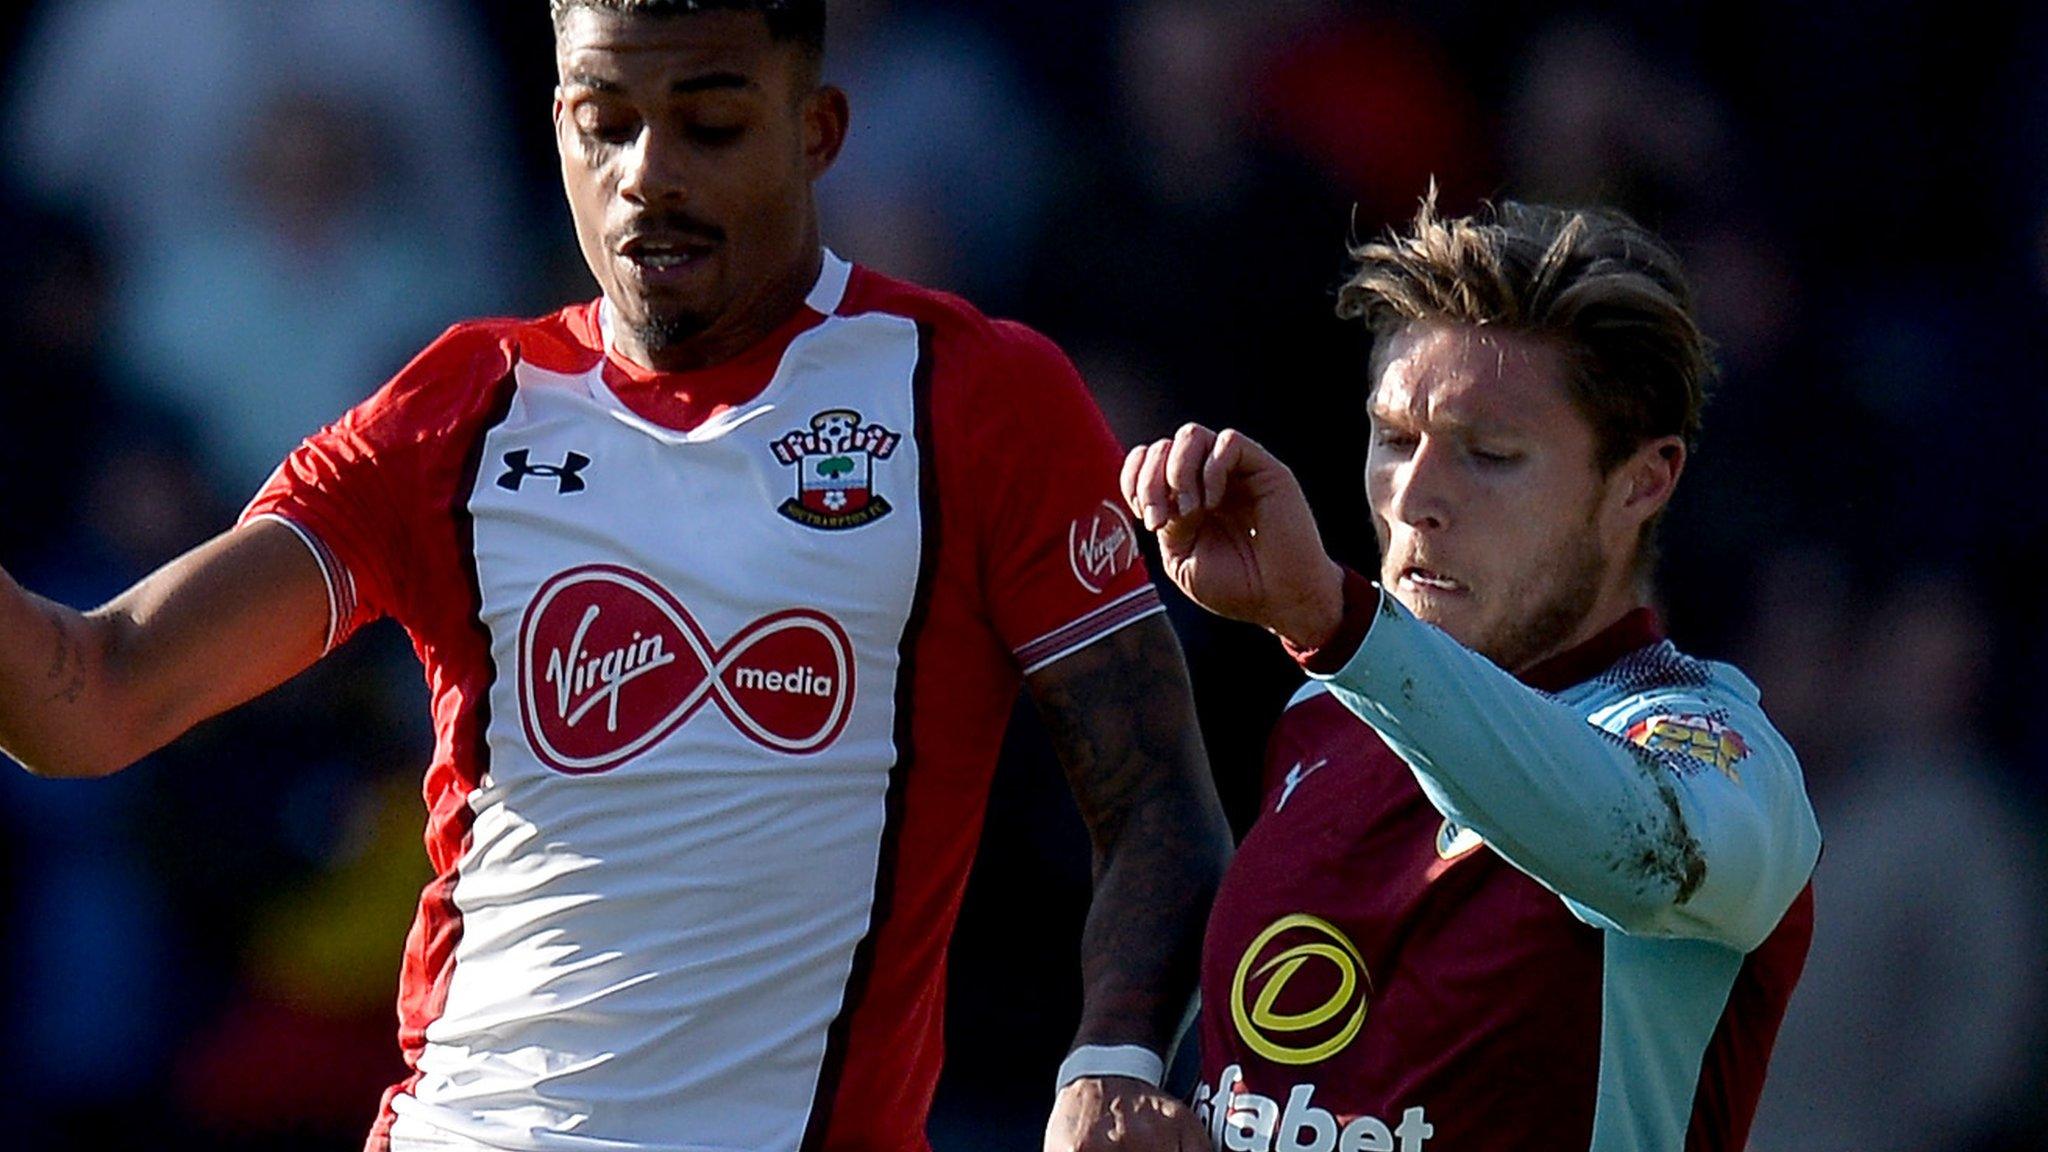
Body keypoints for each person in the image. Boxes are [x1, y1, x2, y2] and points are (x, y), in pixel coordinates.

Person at [0, 3, 1234, 1151]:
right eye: (607, 124)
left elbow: (1156, 800)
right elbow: (96, 695)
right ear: (556, 130)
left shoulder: (972, 395)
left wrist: (1116, 1056)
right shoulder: (457, 409)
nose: (649, 171)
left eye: (708, 123)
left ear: (817, 132)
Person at [1122, 197, 1821, 1151]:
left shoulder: (1720, 757)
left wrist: (1338, 623)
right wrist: (1118, 1083)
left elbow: (1634, 852)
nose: (1415, 501)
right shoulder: (1323, 711)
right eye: (1394, 440)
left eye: (1490, 456)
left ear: (1643, 481)